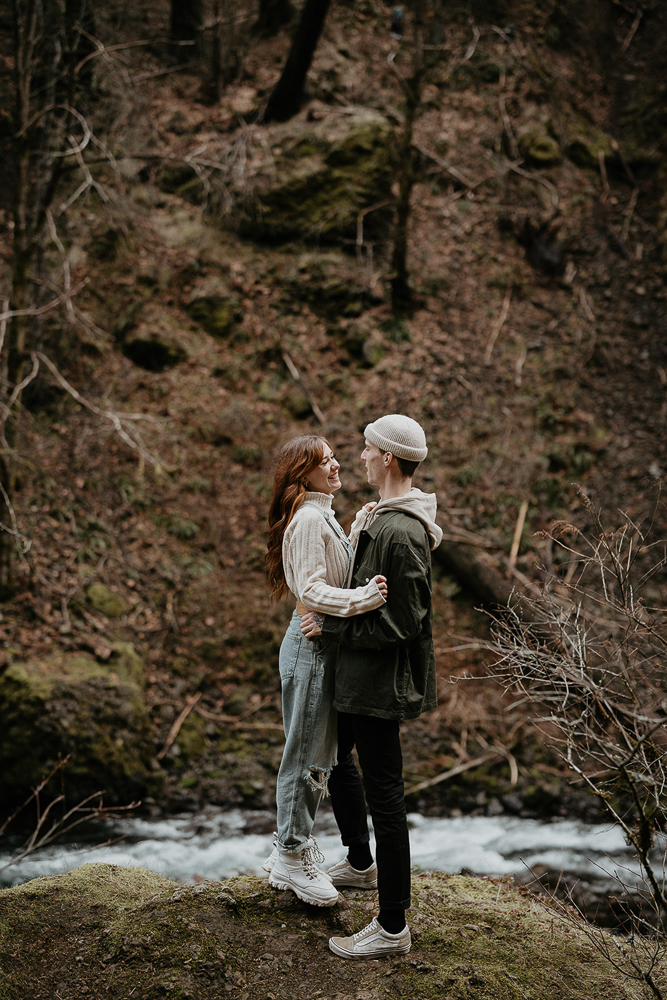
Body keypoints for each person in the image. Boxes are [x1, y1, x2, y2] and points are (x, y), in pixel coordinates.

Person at [300, 414, 442, 956]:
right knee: (337, 762)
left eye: (365, 449)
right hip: (357, 675)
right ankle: (360, 861)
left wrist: (333, 622)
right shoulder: (380, 518)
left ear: (387, 457)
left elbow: (407, 622)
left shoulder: (403, 532)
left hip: (379, 681)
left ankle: (391, 927)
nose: (358, 456)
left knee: (386, 796)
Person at [263, 434, 388, 907]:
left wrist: (356, 528)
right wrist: (363, 599)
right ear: (303, 473)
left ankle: (287, 851)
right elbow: (314, 589)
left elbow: (332, 568)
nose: (336, 464)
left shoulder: (322, 515)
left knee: (321, 755)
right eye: (325, 460)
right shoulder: (310, 518)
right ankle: (292, 855)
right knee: (306, 756)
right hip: (310, 648)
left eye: (334, 456)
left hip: (320, 649)